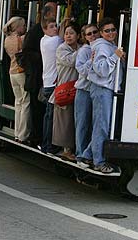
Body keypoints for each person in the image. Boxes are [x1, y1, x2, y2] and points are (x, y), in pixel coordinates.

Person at [83, 18, 125, 173]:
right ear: (101, 33)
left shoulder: (109, 45)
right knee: (102, 126)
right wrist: (115, 56)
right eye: (107, 31)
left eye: (113, 29)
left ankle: (88, 155)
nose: (111, 33)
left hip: (105, 89)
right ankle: (99, 161)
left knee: (102, 124)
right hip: (102, 89)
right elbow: (101, 70)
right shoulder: (102, 47)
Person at [52, 22, 81, 161]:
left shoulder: (80, 48)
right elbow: (71, 61)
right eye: (66, 33)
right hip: (65, 88)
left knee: (74, 119)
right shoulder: (61, 49)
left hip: (77, 87)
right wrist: (83, 51)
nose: (68, 36)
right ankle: (66, 149)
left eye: (71, 33)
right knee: (65, 119)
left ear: (78, 35)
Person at [3, 16, 31, 144]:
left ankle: (16, 132)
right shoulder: (22, 39)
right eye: (23, 25)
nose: (25, 27)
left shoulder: (7, 40)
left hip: (12, 72)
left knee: (18, 103)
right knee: (25, 103)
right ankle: (23, 135)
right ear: (18, 27)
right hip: (21, 73)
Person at [74, 24, 99, 166]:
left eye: (95, 32)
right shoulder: (84, 50)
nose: (93, 35)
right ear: (85, 37)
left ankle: (89, 154)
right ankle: (80, 154)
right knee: (82, 123)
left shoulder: (103, 47)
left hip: (96, 90)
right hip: (84, 90)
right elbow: (81, 70)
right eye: (89, 34)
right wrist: (92, 60)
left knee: (95, 124)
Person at [38, 17, 63, 153]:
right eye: (52, 27)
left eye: (56, 26)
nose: (55, 29)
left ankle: (45, 143)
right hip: (53, 84)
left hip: (46, 82)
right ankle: (48, 145)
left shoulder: (43, 40)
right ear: (44, 29)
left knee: (48, 116)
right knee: (51, 117)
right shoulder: (54, 41)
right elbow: (64, 39)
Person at [21, 10, 45, 144]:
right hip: (35, 77)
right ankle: (34, 135)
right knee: (35, 106)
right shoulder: (35, 32)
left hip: (38, 76)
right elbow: (27, 53)